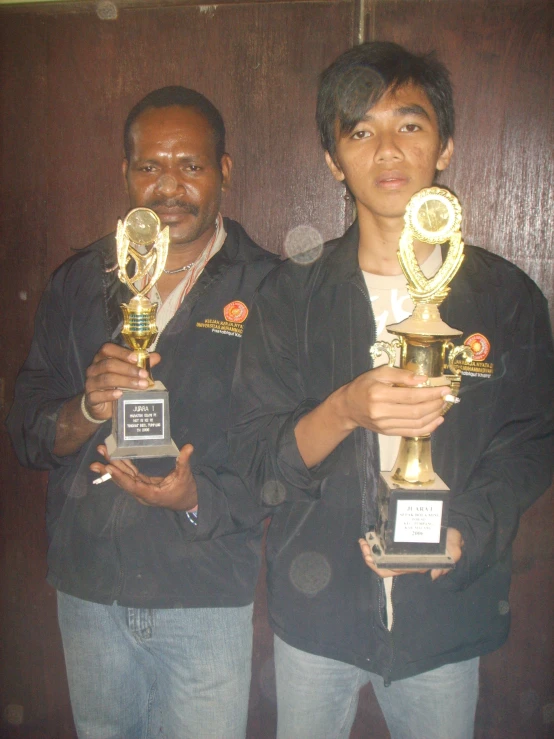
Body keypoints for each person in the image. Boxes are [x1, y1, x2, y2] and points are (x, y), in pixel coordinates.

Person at [229, 42, 554, 739]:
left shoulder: (505, 297)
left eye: (409, 125)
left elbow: (532, 440)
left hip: (445, 614)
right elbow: (258, 459)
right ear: (331, 158)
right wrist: (346, 409)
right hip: (316, 618)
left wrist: (465, 529)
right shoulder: (289, 296)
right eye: (360, 130)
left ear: (445, 146)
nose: (386, 150)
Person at [7, 86, 277, 739]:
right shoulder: (80, 281)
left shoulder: (272, 289)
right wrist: (83, 407)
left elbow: (286, 452)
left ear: (225, 172)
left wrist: (195, 498)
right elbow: (27, 428)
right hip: (90, 588)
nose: (169, 186)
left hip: (203, 591)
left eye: (191, 165)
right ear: (125, 173)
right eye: (149, 166)